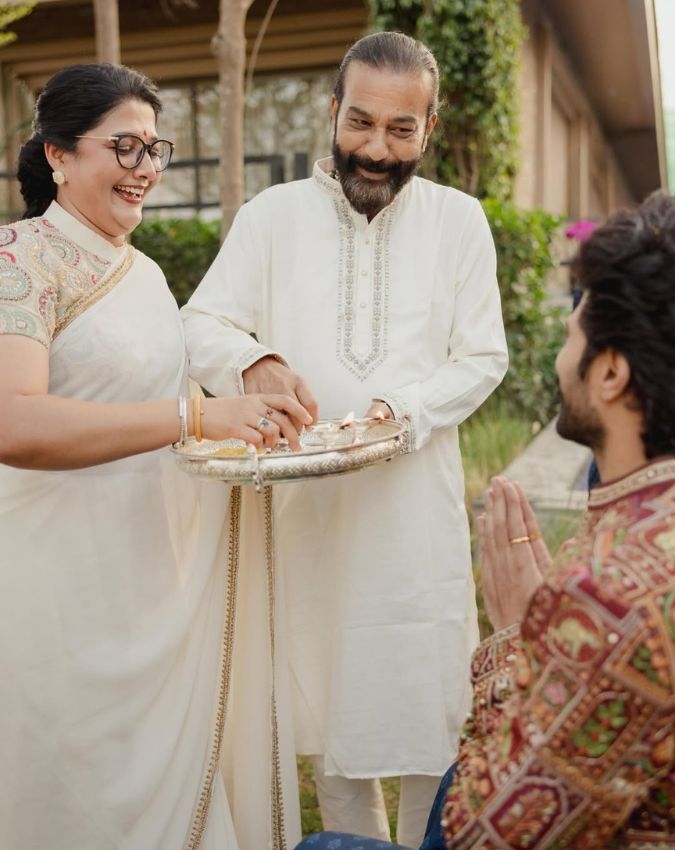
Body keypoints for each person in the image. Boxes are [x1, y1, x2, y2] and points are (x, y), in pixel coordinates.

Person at [182, 31, 508, 847]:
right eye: (359, 122)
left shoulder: (458, 223)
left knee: (425, 708)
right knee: (330, 712)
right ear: (332, 112)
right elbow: (201, 322)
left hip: (411, 514)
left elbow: (483, 356)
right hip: (307, 519)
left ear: (427, 131)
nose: (375, 148)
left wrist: (402, 411)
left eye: (400, 131)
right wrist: (251, 359)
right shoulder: (271, 217)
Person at [298, 191, 675, 850]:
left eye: (573, 325)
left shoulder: (608, 596)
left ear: (610, 372)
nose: (562, 348)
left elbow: (477, 835)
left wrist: (513, 640)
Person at [0, 63, 311, 850]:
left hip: (150, 577)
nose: (144, 168)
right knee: (72, 788)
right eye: (123, 147)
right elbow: (13, 422)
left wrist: (248, 405)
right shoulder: (21, 259)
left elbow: (164, 395)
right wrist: (196, 416)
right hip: (57, 592)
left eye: (154, 148)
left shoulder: (143, 272)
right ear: (58, 155)